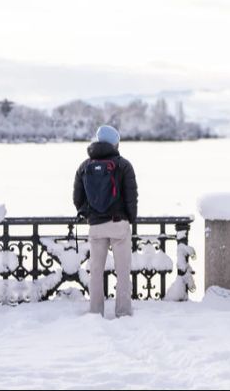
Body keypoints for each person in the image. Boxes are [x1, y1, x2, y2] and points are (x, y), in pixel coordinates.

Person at [73, 124, 138, 317]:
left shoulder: (84, 166)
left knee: (95, 271)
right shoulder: (123, 165)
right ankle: (123, 312)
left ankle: (95, 311)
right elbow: (131, 197)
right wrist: (130, 219)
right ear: (115, 143)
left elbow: (78, 198)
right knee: (123, 271)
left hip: (96, 225)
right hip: (119, 223)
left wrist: (88, 214)